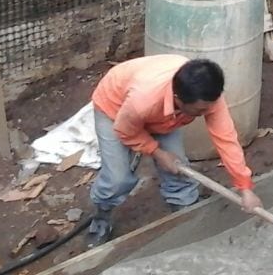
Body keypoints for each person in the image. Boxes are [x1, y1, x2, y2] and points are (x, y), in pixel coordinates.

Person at [86, 55, 262, 246]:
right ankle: (101, 219)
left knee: (178, 168)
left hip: (162, 115)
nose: (207, 113)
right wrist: (157, 152)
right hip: (115, 109)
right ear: (179, 100)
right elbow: (124, 130)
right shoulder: (143, 100)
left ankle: (186, 212)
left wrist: (244, 187)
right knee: (117, 180)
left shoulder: (206, 95)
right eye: (199, 111)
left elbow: (226, 139)